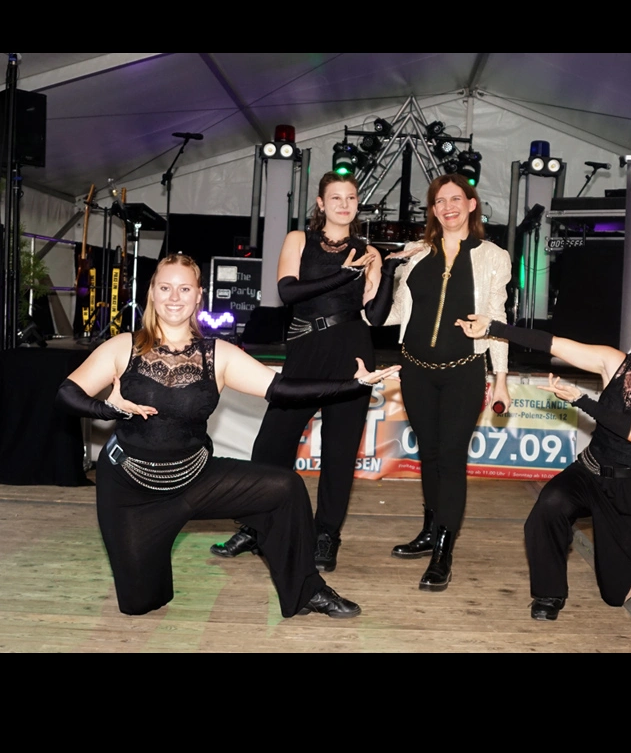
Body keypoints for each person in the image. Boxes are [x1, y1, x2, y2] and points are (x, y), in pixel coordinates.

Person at [55, 253, 398, 619]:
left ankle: (307, 590)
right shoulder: (123, 347)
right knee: (141, 603)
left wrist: (354, 384)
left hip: (194, 479)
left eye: (184, 289)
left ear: (198, 296)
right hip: (130, 490)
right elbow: (67, 393)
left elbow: (283, 389)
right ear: (152, 293)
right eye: (165, 288)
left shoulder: (217, 355)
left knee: (285, 488)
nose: (174, 297)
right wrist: (108, 409)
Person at [210, 172, 402, 572]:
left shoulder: (368, 251)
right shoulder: (300, 240)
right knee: (271, 444)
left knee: (339, 453)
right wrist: (343, 275)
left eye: (351, 197)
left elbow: (376, 315)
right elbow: (287, 292)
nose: (344, 204)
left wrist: (388, 271)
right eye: (336, 197)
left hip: (352, 351)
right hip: (305, 351)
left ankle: (326, 534)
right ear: (320, 203)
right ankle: (256, 526)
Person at [458, 298, 631, 621]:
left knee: (615, 595)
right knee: (548, 507)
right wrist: (494, 328)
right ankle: (548, 594)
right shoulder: (613, 362)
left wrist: (582, 400)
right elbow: (553, 343)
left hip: (629, 489)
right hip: (588, 471)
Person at [382, 173, 511, 592]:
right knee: (430, 453)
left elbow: (497, 319)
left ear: (471, 205)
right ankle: (429, 530)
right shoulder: (418, 254)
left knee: (451, 458)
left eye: (456, 199)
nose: (448, 207)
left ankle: (443, 552)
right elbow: (394, 314)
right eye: (440, 201)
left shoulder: (493, 256)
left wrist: (501, 378)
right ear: (433, 210)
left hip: (464, 371)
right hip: (415, 369)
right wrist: (377, 276)